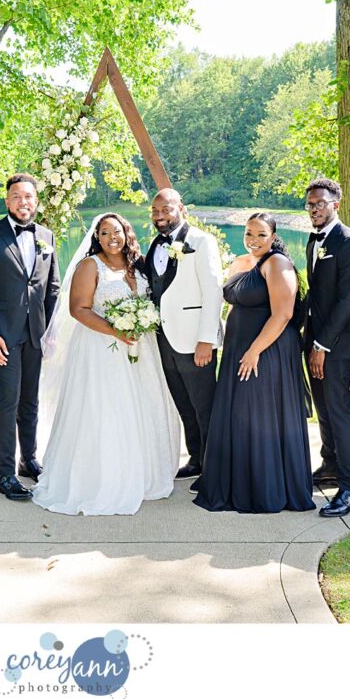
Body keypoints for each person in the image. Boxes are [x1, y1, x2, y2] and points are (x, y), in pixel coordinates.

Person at [32, 214, 179, 516]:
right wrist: (118, 331)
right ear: (96, 237)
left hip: (141, 349)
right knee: (108, 410)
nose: (112, 237)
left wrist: (139, 325)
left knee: (141, 407)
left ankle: (143, 474)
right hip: (103, 349)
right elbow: (78, 309)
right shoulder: (90, 266)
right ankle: (104, 478)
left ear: (127, 233)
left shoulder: (136, 265)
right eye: (104, 232)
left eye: (118, 231)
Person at [192, 214, 315, 513]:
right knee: (239, 415)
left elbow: (283, 315)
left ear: (273, 236)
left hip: (266, 351)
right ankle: (237, 482)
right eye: (249, 233)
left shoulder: (278, 264)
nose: (254, 240)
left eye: (261, 234)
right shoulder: (243, 261)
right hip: (239, 350)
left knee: (258, 416)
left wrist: (254, 351)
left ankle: (263, 489)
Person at [0, 173, 61, 501]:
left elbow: (52, 288)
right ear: (7, 201)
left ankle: (28, 459)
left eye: (29, 197)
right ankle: (5, 473)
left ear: (36, 201)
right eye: (17, 197)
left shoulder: (46, 236)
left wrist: (50, 332)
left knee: (30, 400)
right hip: (3, 336)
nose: (24, 202)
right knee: (8, 400)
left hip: (36, 334)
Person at [142, 188, 223, 487]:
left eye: (166, 209)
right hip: (164, 340)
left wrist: (206, 339)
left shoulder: (202, 241)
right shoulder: (155, 245)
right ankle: (197, 459)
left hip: (193, 341)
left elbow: (214, 291)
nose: (160, 215)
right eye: (155, 211)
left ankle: (215, 468)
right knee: (184, 405)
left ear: (181, 209)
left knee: (205, 406)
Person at [302, 178, 350, 518]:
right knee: (324, 408)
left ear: (335, 205)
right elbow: (316, 292)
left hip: (336, 344)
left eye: (321, 204)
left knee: (339, 410)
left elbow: (346, 300)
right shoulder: (314, 242)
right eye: (310, 204)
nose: (314, 209)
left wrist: (322, 345)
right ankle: (329, 466)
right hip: (315, 338)